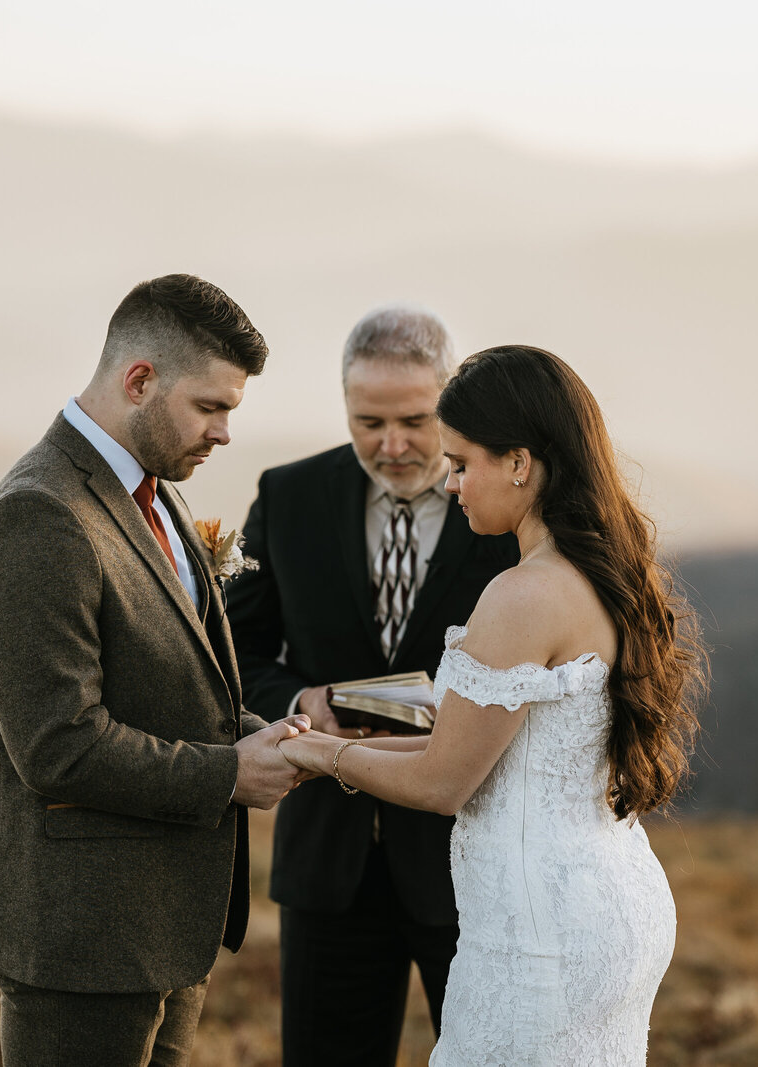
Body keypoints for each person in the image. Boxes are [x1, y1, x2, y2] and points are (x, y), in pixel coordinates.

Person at [278, 345, 706, 1065]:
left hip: (536, 930)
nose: (451, 484)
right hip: (612, 900)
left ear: (520, 462)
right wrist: (321, 754)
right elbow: (463, 740)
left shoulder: (522, 594)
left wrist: (325, 753)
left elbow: (444, 782)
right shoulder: (607, 569)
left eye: (462, 462)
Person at [0, 274, 311, 1067]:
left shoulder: (152, 488)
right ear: (140, 380)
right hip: (80, 942)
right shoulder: (39, 515)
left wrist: (271, 738)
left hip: (163, 926)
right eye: (210, 407)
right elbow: (58, 746)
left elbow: (166, 682)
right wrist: (228, 776)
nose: (223, 433)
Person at [225, 306, 517, 1065]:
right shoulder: (288, 496)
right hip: (329, 861)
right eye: (368, 421)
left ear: (451, 402)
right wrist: (299, 702)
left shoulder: (504, 508)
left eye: (416, 420)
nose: (391, 444)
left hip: (473, 862)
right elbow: (235, 647)